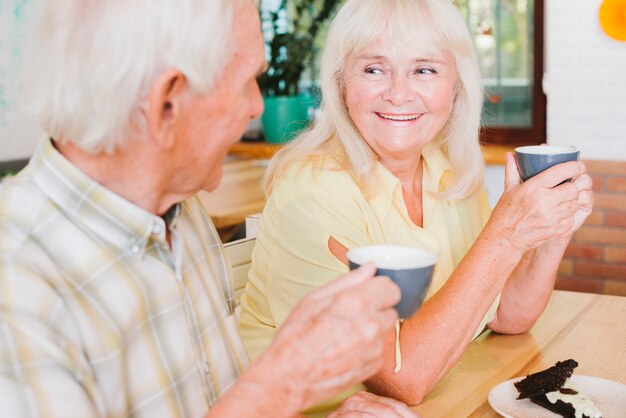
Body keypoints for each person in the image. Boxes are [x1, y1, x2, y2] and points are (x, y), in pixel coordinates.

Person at [0, 0, 420, 417]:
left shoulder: (180, 209)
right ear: (167, 104)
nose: (257, 106)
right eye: (246, 83)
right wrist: (282, 385)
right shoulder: (18, 289)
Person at [238, 0, 594, 414]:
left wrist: (550, 234)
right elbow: (400, 379)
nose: (399, 94)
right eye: (374, 69)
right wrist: (507, 233)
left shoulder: (447, 172)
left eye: (424, 70)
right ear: (340, 85)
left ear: (457, 86)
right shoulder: (314, 189)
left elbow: (506, 317)